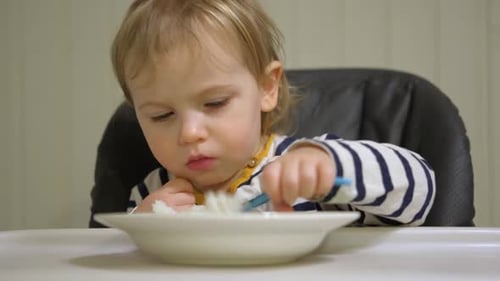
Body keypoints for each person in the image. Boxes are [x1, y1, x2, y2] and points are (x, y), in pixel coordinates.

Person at [110, 0, 435, 225]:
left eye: (214, 103)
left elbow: (420, 191)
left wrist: (328, 167)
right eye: (161, 115)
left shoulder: (303, 172)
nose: (190, 133)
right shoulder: (152, 193)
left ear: (267, 88)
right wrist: (142, 230)